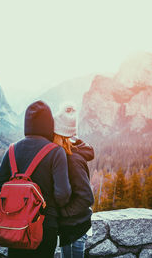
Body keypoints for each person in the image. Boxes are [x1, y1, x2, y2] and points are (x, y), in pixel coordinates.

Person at [0, 100, 71, 258]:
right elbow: (62, 195)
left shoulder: (12, 149)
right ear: (49, 125)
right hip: (44, 226)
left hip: (16, 226)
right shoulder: (56, 152)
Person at [53, 103, 95, 258]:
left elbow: (86, 197)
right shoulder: (66, 156)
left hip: (75, 229)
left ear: (60, 135)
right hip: (71, 227)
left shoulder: (73, 160)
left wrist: (62, 213)